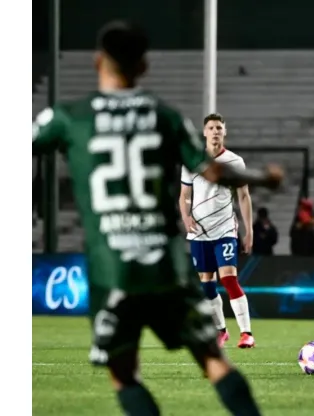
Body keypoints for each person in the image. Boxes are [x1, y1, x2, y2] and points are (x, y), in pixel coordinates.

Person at [31, 20, 283, 415]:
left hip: (113, 270)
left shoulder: (69, 117)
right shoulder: (163, 115)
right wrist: (262, 178)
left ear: (98, 61)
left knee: (125, 375)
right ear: (144, 67)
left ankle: (242, 330)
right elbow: (214, 171)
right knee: (214, 363)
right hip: (166, 266)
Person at [180, 113, 255, 349]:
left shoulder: (234, 161)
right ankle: (221, 331)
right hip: (199, 232)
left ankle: (246, 333)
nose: (215, 131)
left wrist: (249, 230)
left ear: (225, 132)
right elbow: (184, 196)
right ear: (204, 132)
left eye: (219, 128)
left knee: (229, 278)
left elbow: (243, 196)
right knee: (206, 283)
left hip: (224, 228)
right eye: (211, 127)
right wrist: (186, 216)